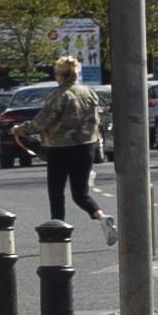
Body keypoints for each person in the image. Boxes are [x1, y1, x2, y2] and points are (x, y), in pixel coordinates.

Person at [37, 71, 105, 226]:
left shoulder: (58, 95)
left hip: (60, 148)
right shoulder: (89, 92)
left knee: (56, 192)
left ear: (61, 76)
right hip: (86, 147)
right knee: (81, 194)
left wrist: (20, 129)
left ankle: (58, 230)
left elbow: (42, 121)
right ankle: (102, 217)